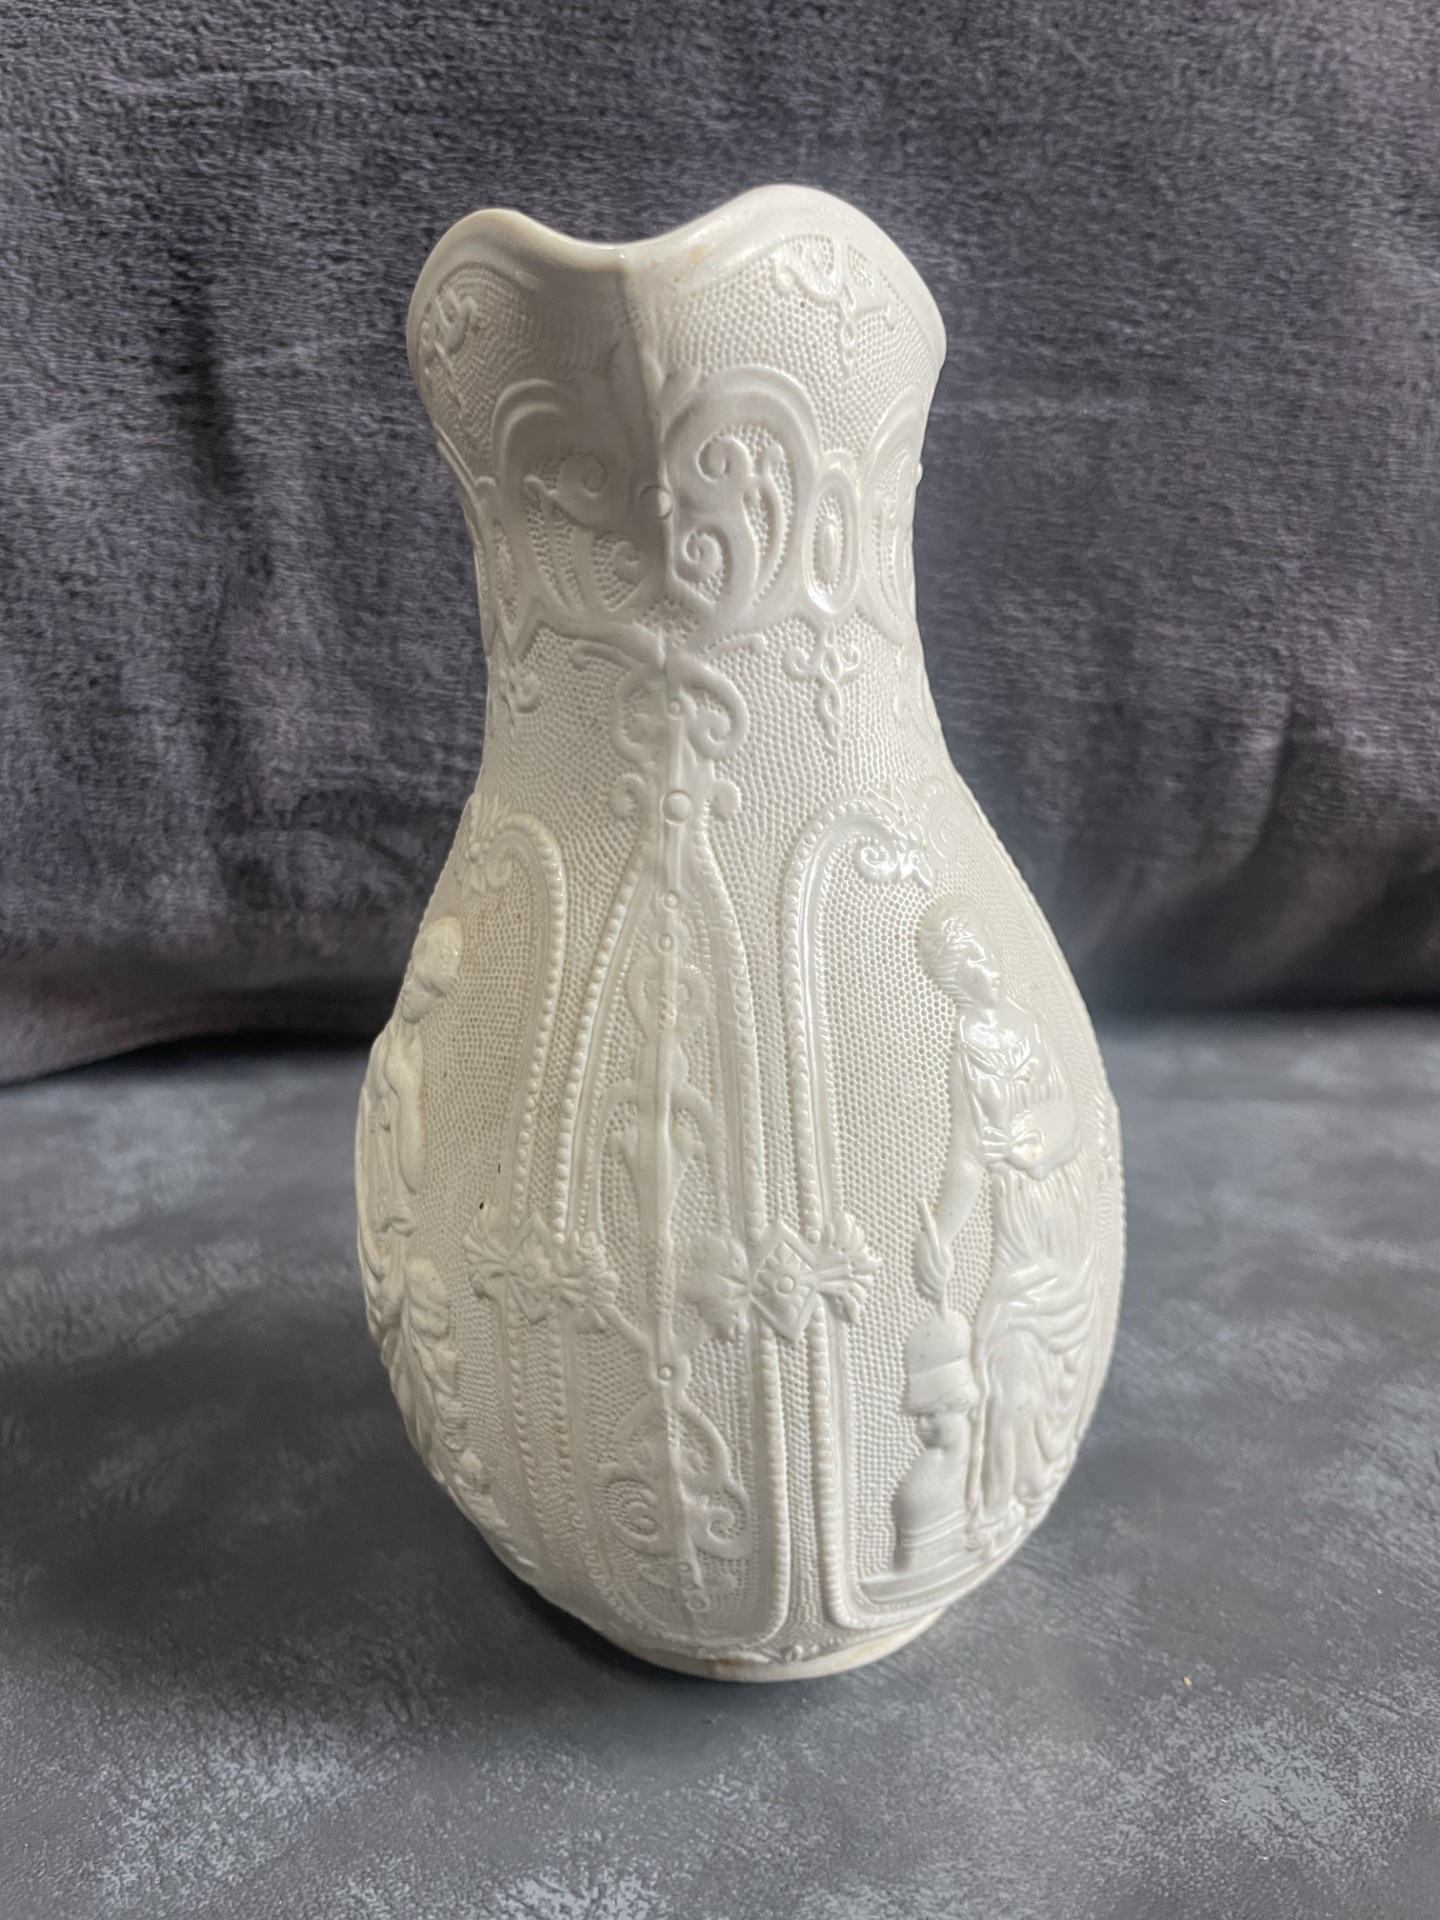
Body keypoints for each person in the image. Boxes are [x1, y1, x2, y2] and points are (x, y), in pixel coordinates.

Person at [891, 1312, 981, 1572]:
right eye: (919, 1416)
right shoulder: (926, 1477)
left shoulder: (977, 1460)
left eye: (931, 1415)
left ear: (958, 1406)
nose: (922, 1426)